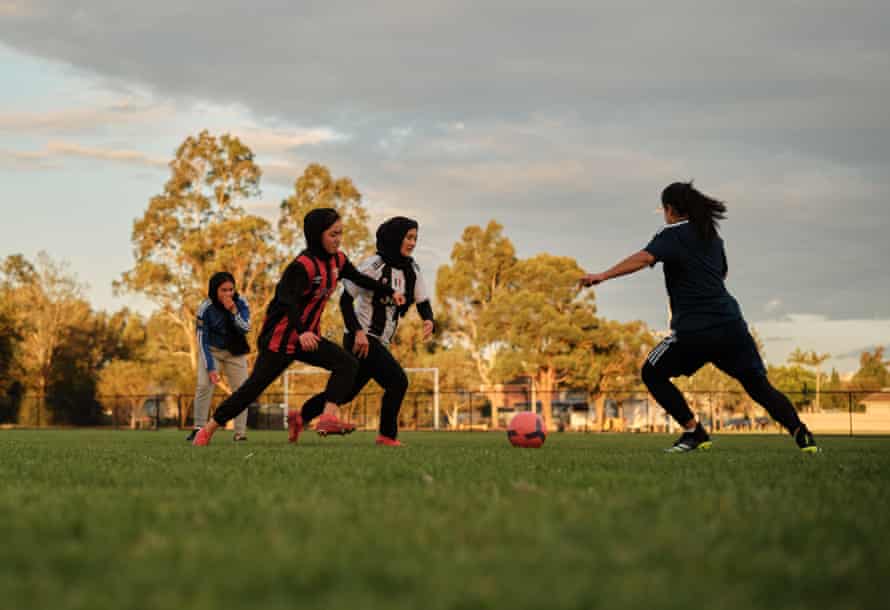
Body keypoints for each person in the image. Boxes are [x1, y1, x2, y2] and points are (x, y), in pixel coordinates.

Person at [579, 182, 819, 454]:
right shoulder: (712, 237)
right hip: (731, 326)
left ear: (669, 209)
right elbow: (722, 274)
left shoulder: (672, 234)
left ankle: (694, 432)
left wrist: (602, 275)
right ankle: (802, 435)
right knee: (758, 386)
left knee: (652, 372)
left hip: (695, 330)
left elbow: (645, 258)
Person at [192, 208, 405, 446]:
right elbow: (286, 301)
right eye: (333, 234)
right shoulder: (301, 266)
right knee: (252, 390)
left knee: (347, 363)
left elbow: (358, 278)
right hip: (280, 339)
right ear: (317, 235)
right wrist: (302, 331)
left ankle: (327, 417)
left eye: (340, 233)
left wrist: (390, 291)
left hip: (308, 337)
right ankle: (207, 430)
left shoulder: (338, 260)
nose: (338, 239)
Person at [289, 217, 435, 447]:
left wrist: (428, 319)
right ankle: (387, 436)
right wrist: (357, 332)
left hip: (379, 341)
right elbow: (346, 300)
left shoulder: (412, 269)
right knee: (397, 382)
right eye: (408, 237)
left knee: (346, 393)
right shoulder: (373, 266)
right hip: (362, 338)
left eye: (415, 238)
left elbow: (422, 299)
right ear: (394, 237)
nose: (413, 242)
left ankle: (301, 416)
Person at [186, 272, 250, 442]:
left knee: (243, 391)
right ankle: (199, 428)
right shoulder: (204, 309)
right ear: (215, 290)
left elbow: (245, 328)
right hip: (212, 351)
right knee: (203, 385)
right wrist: (211, 367)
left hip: (235, 352)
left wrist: (234, 311)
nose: (228, 294)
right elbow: (201, 340)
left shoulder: (241, 303)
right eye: (224, 290)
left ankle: (240, 433)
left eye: (231, 290)